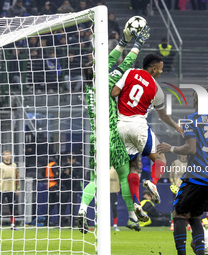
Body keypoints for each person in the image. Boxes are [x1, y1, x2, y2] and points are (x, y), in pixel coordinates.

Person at [77, 21, 151, 234]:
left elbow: (108, 62)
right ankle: (131, 218)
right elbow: (125, 64)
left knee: (94, 178)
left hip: (95, 138)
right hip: (113, 136)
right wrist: (137, 43)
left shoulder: (89, 88)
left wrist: (121, 42)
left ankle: (82, 211)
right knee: (124, 174)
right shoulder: (107, 84)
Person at [157, 88, 208, 255]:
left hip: (197, 175)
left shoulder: (191, 119)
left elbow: (190, 149)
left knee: (179, 213)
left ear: (196, 101)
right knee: (195, 216)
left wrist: (171, 148)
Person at [111, 53, 183, 208]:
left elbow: (114, 93)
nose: (162, 72)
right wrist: (176, 126)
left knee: (134, 166)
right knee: (160, 157)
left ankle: (136, 203)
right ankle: (153, 182)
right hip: (138, 125)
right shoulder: (156, 89)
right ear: (154, 68)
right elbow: (163, 115)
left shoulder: (129, 73)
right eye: (161, 69)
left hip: (120, 126)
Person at [0, 150, 20, 230]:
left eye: (8, 155)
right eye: (5, 155)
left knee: (12, 207)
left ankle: (13, 224)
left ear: (11, 156)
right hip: (2, 189)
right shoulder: (0, 165)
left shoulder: (14, 165)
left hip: (11, 189)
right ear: (3, 156)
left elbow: (17, 177)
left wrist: (17, 188)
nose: (7, 156)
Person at [169, 155, 188, 231]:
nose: (183, 156)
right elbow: (171, 176)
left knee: (187, 205)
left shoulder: (190, 163)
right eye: (182, 154)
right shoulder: (175, 163)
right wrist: (173, 185)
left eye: (185, 154)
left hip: (187, 188)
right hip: (177, 188)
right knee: (175, 205)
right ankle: (173, 223)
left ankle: (188, 223)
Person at [45, 158, 60, 226]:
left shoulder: (48, 165)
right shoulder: (54, 165)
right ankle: (59, 222)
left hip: (49, 185)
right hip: (54, 185)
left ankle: (46, 221)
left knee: (50, 205)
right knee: (56, 204)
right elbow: (56, 175)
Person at [110, 167, 120, 231]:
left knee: (114, 208)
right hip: (104, 191)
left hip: (114, 191)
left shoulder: (116, 168)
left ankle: (115, 225)